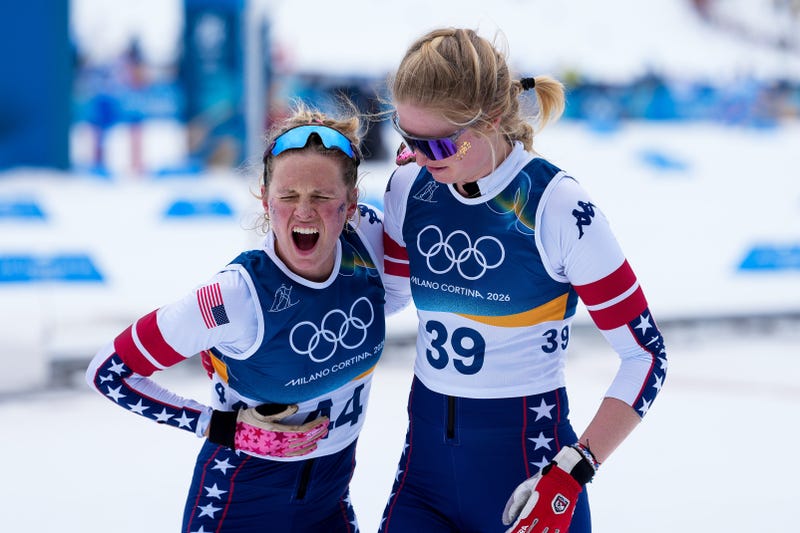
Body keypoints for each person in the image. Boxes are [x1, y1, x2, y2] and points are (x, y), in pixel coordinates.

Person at [380, 27, 668, 533]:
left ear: (491, 119)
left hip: (526, 476)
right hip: (424, 476)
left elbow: (645, 355)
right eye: (409, 141)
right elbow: (390, 296)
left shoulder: (556, 206)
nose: (422, 159)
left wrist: (576, 468)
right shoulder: (409, 186)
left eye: (440, 142)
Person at [86, 104, 396, 532]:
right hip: (239, 498)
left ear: (350, 204)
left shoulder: (370, 244)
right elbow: (107, 372)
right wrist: (219, 426)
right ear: (265, 199)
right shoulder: (235, 296)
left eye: (321, 197)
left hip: (329, 498)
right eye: (288, 196)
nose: (303, 211)